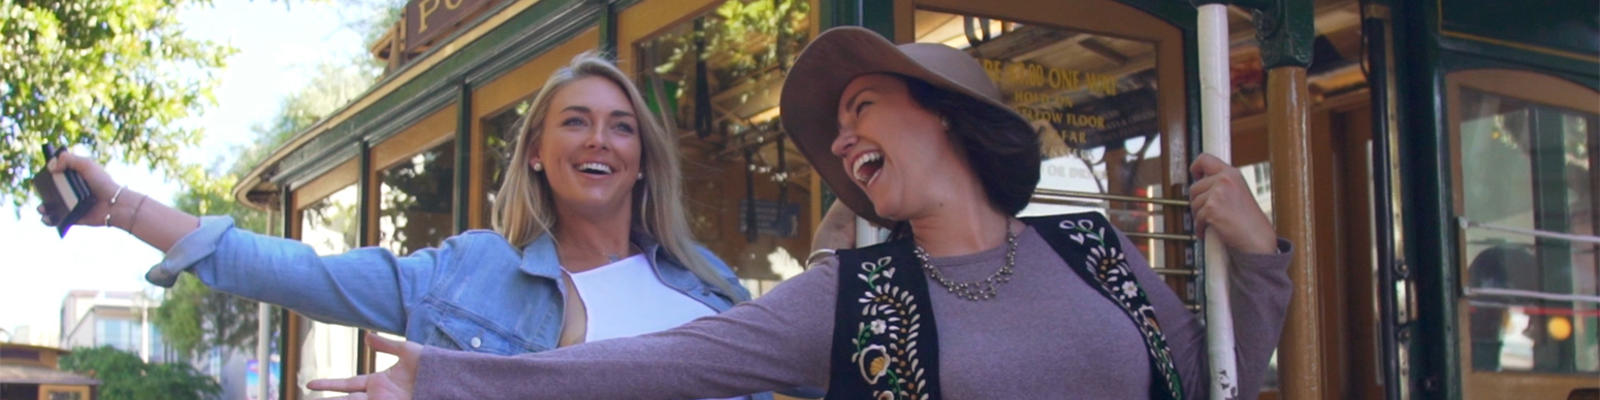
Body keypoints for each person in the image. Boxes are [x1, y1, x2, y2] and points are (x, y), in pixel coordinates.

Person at [309, 27, 1293, 400]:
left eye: (862, 105)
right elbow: (657, 365)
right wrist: (444, 378)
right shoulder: (848, 300)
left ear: (944, 115)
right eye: (835, 127)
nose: (842, 135)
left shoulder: (1092, 249)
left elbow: (1222, 379)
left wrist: (1255, 259)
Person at [41, 52, 790, 399]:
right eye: (577, 122)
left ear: (642, 158)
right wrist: (122, 207)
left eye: (621, 127)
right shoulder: (472, 275)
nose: (600, 140)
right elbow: (301, 271)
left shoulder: (709, 286)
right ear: (535, 153)